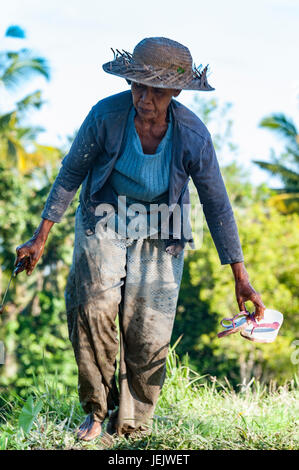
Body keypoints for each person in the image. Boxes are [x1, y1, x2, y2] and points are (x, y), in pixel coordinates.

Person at [14, 37, 265, 441]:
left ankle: (132, 424)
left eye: (157, 90)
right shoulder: (106, 116)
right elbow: (71, 172)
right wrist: (40, 235)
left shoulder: (192, 135)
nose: (144, 98)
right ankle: (98, 410)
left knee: (149, 329)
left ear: (175, 92)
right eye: (138, 86)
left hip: (163, 226)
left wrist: (241, 277)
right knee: (92, 306)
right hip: (105, 214)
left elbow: (217, 204)